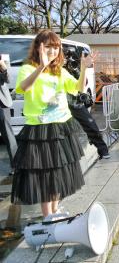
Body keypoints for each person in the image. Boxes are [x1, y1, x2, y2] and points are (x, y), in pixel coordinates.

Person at [10, 30, 89, 217]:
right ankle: (48, 216)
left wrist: (84, 67)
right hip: (40, 129)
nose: (53, 51)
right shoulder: (27, 68)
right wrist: (41, 68)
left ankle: (55, 210)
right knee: (46, 174)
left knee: (59, 171)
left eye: (56, 47)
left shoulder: (60, 71)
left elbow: (78, 88)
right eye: (48, 47)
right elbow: (23, 88)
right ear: (38, 47)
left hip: (61, 126)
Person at [0, 56, 17, 170]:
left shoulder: (1, 61)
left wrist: (3, 67)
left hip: (1, 104)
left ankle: (16, 165)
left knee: (8, 135)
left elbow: (7, 79)